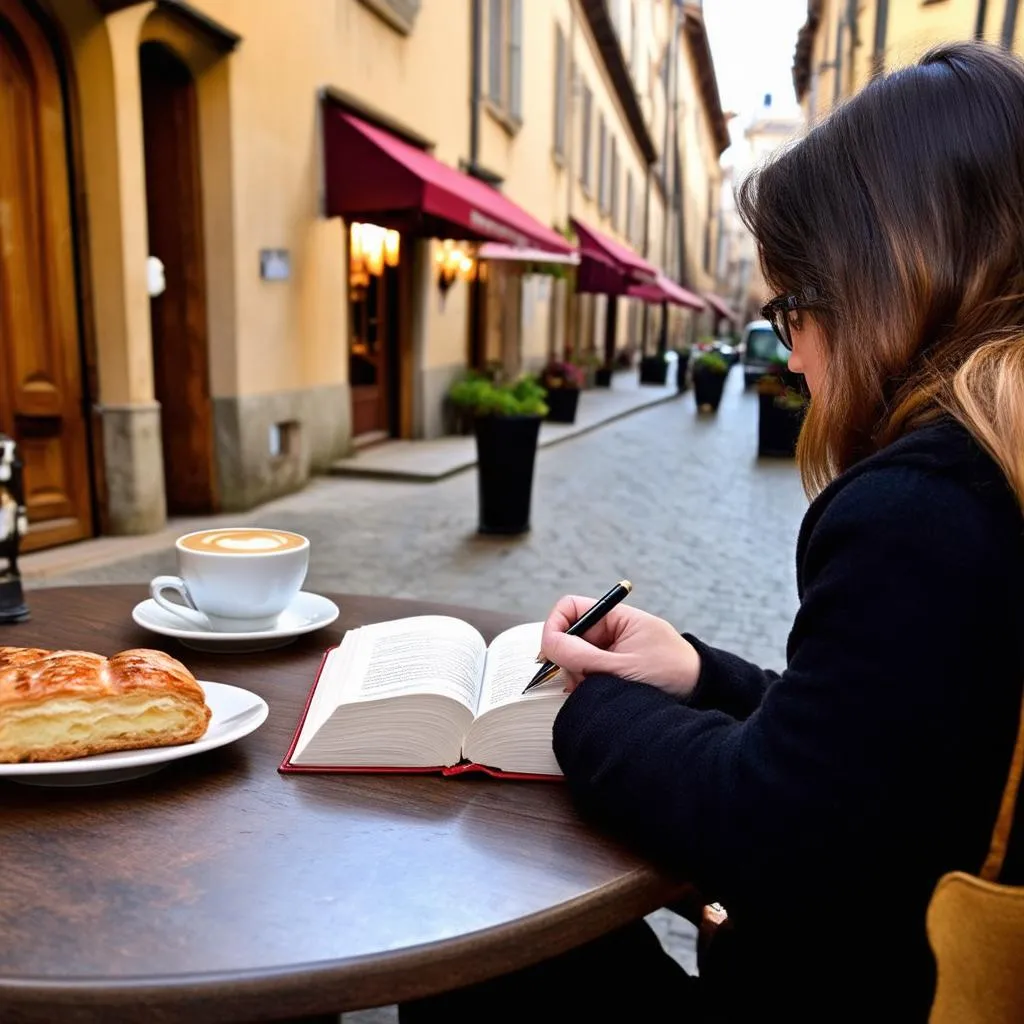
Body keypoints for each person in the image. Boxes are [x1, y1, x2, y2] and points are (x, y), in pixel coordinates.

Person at [399, 40, 1024, 1023]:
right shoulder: (994, 477)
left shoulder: (924, 507)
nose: (794, 352)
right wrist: (693, 670)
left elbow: (772, 826)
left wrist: (587, 708)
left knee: (464, 937)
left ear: (869, 292)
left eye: (787, 310)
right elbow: (883, 741)